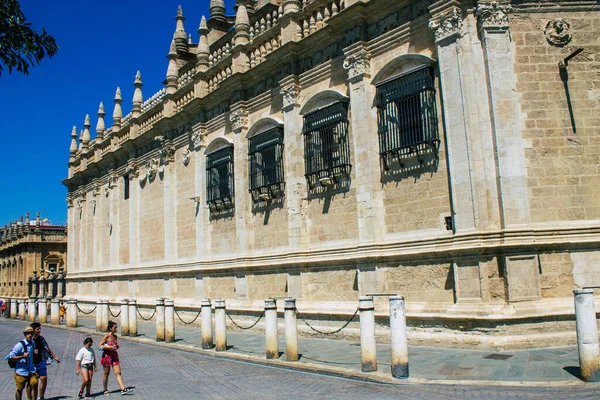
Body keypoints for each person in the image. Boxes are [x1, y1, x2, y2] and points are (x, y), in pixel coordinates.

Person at [5, 325, 38, 400]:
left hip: (31, 370)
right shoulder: (20, 345)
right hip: (21, 371)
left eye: (31, 333)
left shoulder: (32, 343)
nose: (29, 335)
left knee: (34, 385)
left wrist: (35, 353)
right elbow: (10, 357)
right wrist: (22, 356)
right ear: (25, 334)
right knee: (20, 389)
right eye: (27, 333)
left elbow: (31, 356)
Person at [99, 321, 131, 396]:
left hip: (114, 356)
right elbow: (99, 346)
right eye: (115, 328)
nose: (116, 329)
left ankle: (123, 389)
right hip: (107, 356)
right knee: (106, 373)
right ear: (110, 329)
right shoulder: (106, 336)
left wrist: (115, 347)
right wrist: (109, 347)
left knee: (118, 372)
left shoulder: (116, 337)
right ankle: (105, 389)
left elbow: (116, 345)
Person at [30, 322, 61, 400]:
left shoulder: (41, 338)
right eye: (38, 329)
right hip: (32, 363)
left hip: (41, 361)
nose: (39, 330)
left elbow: (47, 348)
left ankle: (41, 396)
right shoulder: (30, 340)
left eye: (40, 329)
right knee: (34, 383)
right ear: (33, 330)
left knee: (44, 378)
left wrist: (54, 357)